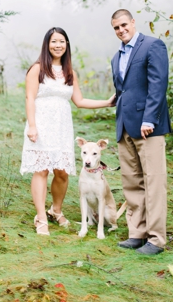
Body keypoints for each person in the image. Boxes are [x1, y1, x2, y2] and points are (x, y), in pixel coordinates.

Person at [21, 27, 114, 236]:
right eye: (54, 41)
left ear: (67, 45)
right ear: (47, 44)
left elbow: (79, 101)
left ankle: (55, 210)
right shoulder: (37, 69)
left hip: (62, 127)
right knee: (42, 170)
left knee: (62, 172)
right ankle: (41, 218)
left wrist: (107, 103)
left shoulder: (69, 71)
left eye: (61, 41)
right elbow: (29, 98)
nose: (58, 45)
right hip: (41, 125)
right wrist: (32, 126)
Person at [110, 9, 170, 255]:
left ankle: (156, 239)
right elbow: (126, 88)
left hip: (148, 127)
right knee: (132, 182)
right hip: (125, 125)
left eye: (124, 25)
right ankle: (137, 233)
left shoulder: (153, 45)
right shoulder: (116, 57)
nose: (121, 30)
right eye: (116, 28)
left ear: (133, 22)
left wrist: (150, 119)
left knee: (154, 181)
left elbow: (158, 84)